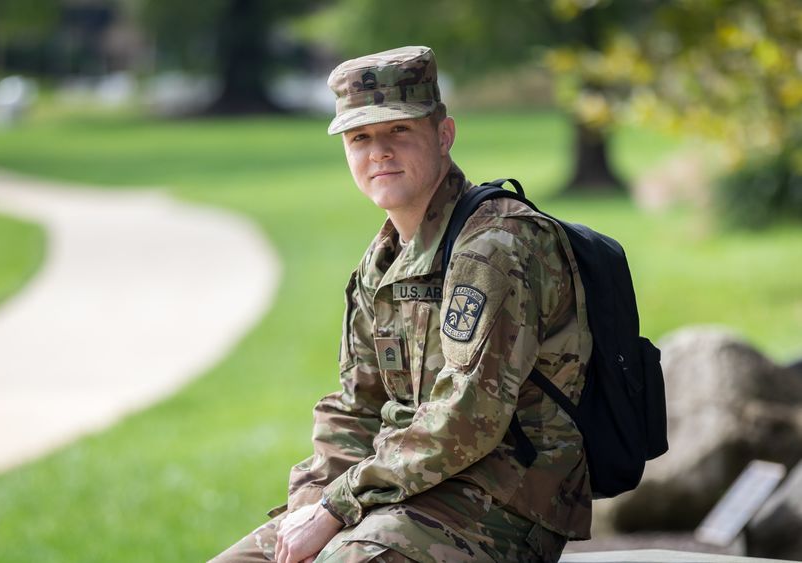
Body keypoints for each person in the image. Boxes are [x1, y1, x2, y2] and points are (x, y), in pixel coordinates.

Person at [211, 45, 592, 563]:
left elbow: (466, 418)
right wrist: (311, 503)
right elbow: (356, 405)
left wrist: (336, 506)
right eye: (360, 137)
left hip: (506, 500)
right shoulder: (385, 258)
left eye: (399, 131)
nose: (379, 153)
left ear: (444, 135)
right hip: (403, 490)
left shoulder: (495, 246)